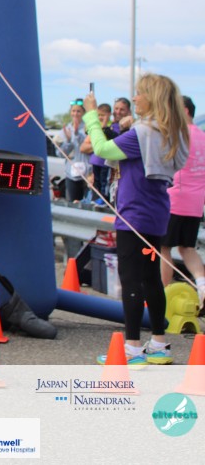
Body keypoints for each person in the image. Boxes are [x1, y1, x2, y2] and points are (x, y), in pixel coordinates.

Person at [84, 74, 189, 365]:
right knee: (151, 278)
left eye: (139, 93)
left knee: (130, 279)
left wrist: (92, 116)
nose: (135, 98)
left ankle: (131, 347)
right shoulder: (168, 132)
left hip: (133, 215)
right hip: (156, 215)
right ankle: (159, 343)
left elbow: (101, 149)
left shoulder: (142, 134)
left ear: (152, 98)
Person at [160, 95, 205, 300]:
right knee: (187, 248)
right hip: (195, 202)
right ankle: (202, 287)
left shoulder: (177, 133)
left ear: (185, 110)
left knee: (163, 247)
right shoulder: (202, 135)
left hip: (175, 199)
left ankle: (160, 295)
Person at [60, 98, 90, 202]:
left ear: (83, 113)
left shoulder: (89, 128)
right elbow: (60, 154)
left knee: (87, 205)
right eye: (73, 111)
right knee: (72, 204)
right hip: (71, 175)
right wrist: (68, 141)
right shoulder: (65, 130)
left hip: (87, 175)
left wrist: (77, 134)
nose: (75, 114)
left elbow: (87, 148)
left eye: (78, 111)